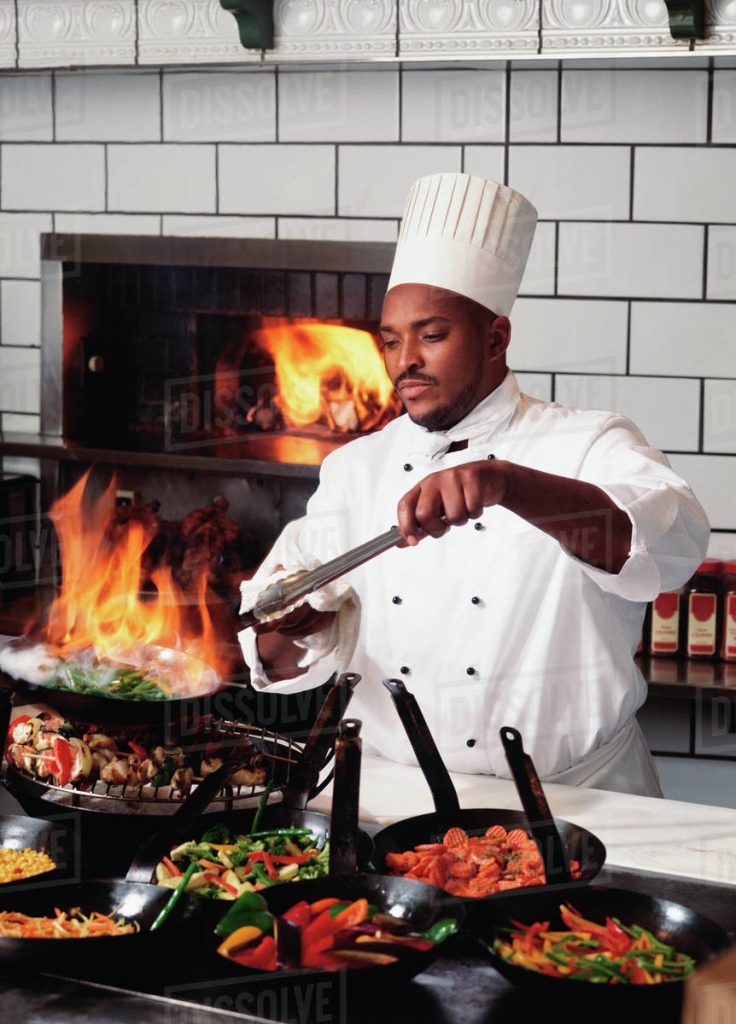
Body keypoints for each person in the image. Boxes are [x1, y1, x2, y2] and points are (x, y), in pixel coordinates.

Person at [239, 172, 709, 797]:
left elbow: (668, 548)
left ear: (496, 338)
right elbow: (277, 658)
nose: (405, 361)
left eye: (431, 335)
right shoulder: (355, 469)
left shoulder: (588, 442)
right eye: (390, 341)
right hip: (392, 796)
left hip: (577, 801)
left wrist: (506, 483)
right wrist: (292, 622)